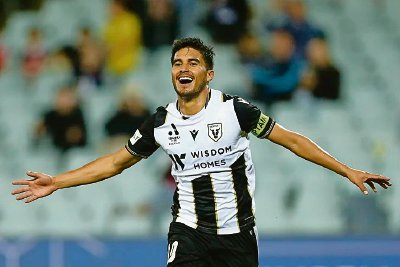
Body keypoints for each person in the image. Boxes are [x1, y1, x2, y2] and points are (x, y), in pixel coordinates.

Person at [12, 37, 392, 266]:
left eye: (193, 61)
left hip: (238, 234)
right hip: (189, 230)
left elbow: (291, 140)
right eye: (177, 62)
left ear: (209, 74)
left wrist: (347, 171)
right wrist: (57, 182)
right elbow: (114, 162)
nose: (183, 67)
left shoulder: (235, 111)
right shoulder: (161, 123)